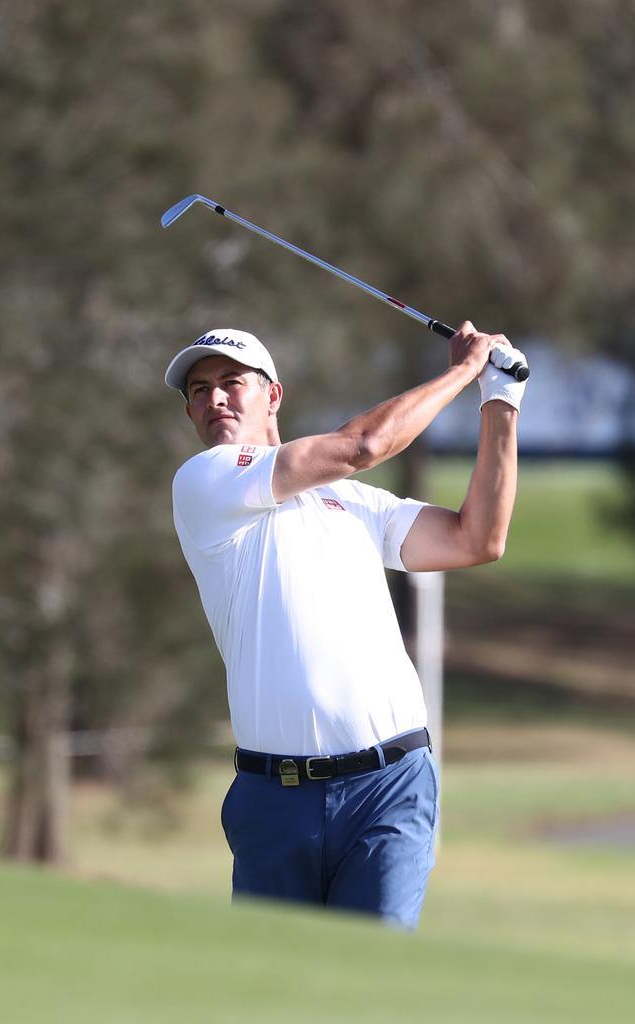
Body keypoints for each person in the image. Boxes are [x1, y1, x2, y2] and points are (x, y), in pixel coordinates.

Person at [165, 323, 527, 929]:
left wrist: (500, 401)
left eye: (231, 383)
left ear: (272, 396)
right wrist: (464, 371)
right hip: (273, 798)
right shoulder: (206, 481)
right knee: (275, 996)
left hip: (389, 787)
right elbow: (362, 444)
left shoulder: (355, 502)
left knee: (371, 989)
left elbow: (477, 538)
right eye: (199, 391)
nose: (215, 400)